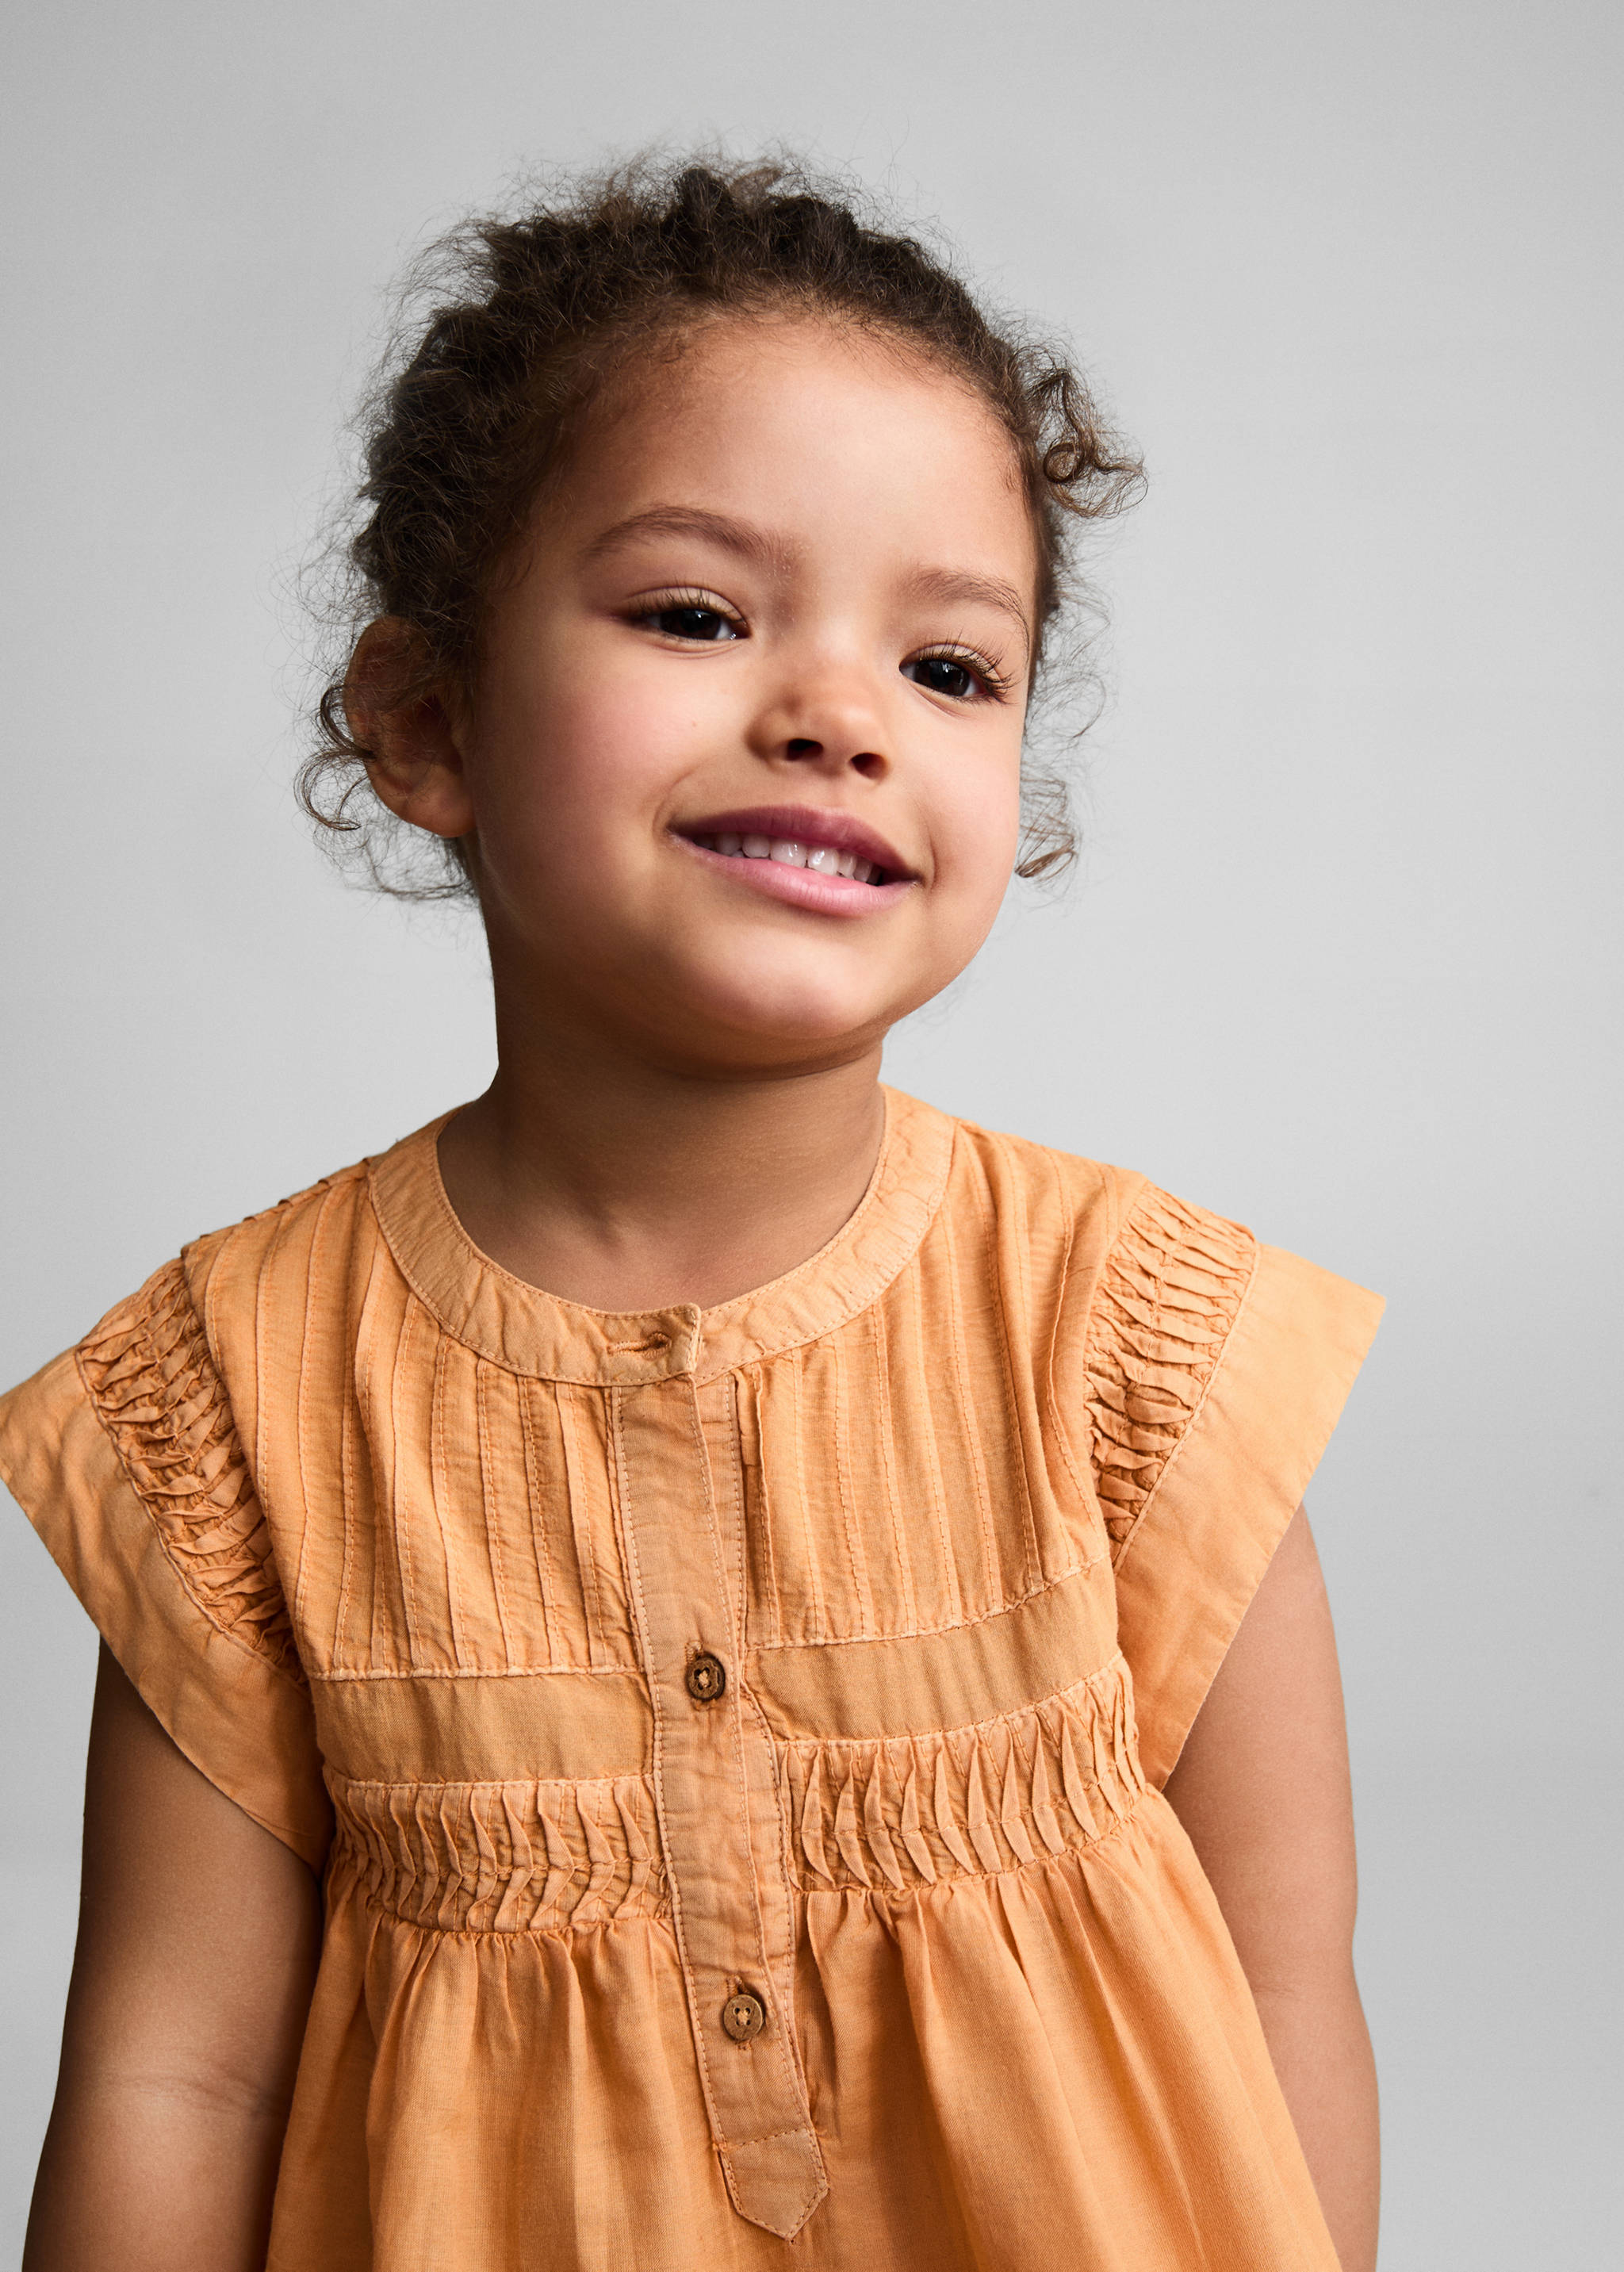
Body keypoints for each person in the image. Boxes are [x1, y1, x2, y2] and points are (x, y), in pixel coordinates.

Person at [0, 159, 1383, 2272]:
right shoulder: (238, 1406)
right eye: (695, 613)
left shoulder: (1139, 1344)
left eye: (949, 665)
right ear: (430, 723)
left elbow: (1288, 1995)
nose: (839, 711)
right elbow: (176, 2072)